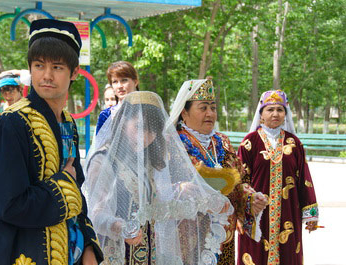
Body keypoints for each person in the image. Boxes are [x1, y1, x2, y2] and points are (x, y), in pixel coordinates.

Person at [0, 19, 103, 265]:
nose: (46, 75)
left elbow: (78, 195)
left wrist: (88, 245)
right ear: (30, 69)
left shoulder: (67, 122)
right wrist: (65, 184)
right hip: (22, 253)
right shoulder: (11, 124)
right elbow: (6, 203)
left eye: (57, 67)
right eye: (38, 65)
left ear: (74, 72)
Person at [85, 91, 233, 265]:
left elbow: (158, 207)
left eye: (153, 131)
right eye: (139, 127)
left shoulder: (146, 162)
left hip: (148, 255)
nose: (146, 136)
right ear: (123, 122)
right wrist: (120, 227)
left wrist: (205, 203)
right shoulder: (104, 160)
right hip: (116, 255)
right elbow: (96, 213)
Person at [168, 79, 267, 265]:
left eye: (213, 108)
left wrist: (250, 199)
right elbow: (160, 185)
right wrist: (181, 189)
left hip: (223, 237)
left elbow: (240, 182)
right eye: (203, 107)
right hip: (187, 235)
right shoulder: (173, 143)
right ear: (184, 112)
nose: (210, 113)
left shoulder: (222, 142)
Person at [236, 90, 319, 265]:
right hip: (257, 213)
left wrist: (311, 214)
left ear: (286, 115)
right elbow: (240, 180)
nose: (275, 114)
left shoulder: (294, 143)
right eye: (270, 109)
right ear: (261, 115)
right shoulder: (249, 143)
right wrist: (246, 204)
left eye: (280, 110)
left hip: (288, 212)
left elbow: (304, 179)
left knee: (288, 255)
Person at [95, 61, 139, 135]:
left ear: (135, 82)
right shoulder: (106, 114)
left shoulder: (148, 110)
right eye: (115, 82)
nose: (119, 86)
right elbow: (100, 144)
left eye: (124, 80)